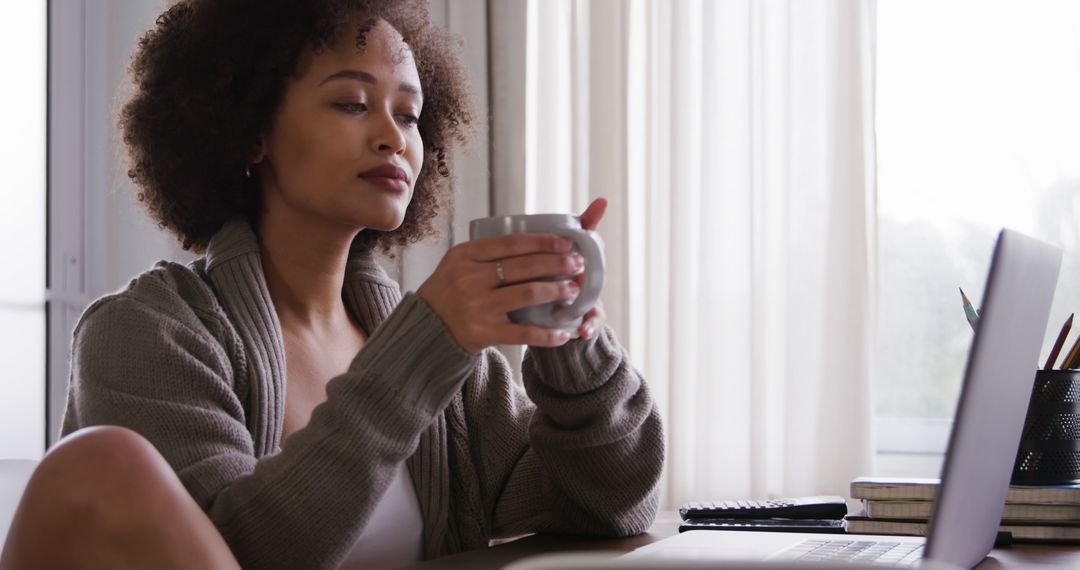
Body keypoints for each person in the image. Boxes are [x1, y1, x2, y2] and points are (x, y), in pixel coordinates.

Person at [0, 1, 663, 568]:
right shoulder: (143, 334)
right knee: (102, 460)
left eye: (408, 116)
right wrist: (423, 347)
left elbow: (607, 505)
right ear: (251, 130)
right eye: (352, 103)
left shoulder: (447, 367)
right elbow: (237, 554)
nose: (391, 138)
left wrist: (570, 339)